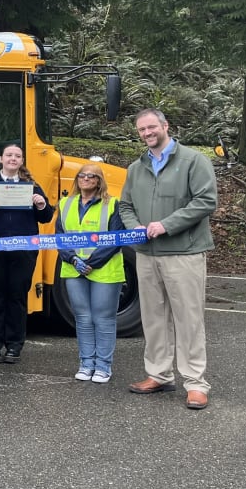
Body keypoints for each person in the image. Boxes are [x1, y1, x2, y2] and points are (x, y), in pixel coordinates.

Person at [120, 108, 218, 410]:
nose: (147, 133)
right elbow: (125, 205)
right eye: (141, 130)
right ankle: (159, 374)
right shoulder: (136, 167)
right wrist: (134, 225)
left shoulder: (194, 161)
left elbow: (205, 201)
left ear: (165, 126)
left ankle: (196, 383)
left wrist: (167, 225)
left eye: (151, 127)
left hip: (183, 253)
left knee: (188, 319)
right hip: (147, 255)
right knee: (153, 318)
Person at [0, 143, 54, 364]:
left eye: (18, 156)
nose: (13, 159)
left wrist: (41, 205)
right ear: (0, 159)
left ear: (22, 161)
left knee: (17, 297)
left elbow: (46, 218)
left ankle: (14, 346)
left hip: (23, 251)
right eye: (9, 155)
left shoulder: (31, 186)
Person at [56, 163, 126, 384]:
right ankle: (86, 364)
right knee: (83, 318)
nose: (85, 179)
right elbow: (59, 238)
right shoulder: (65, 204)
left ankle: (103, 367)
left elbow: (116, 239)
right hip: (74, 268)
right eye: (82, 175)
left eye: (91, 176)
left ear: (99, 181)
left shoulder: (113, 204)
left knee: (103, 318)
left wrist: (92, 262)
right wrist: (74, 260)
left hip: (104, 269)